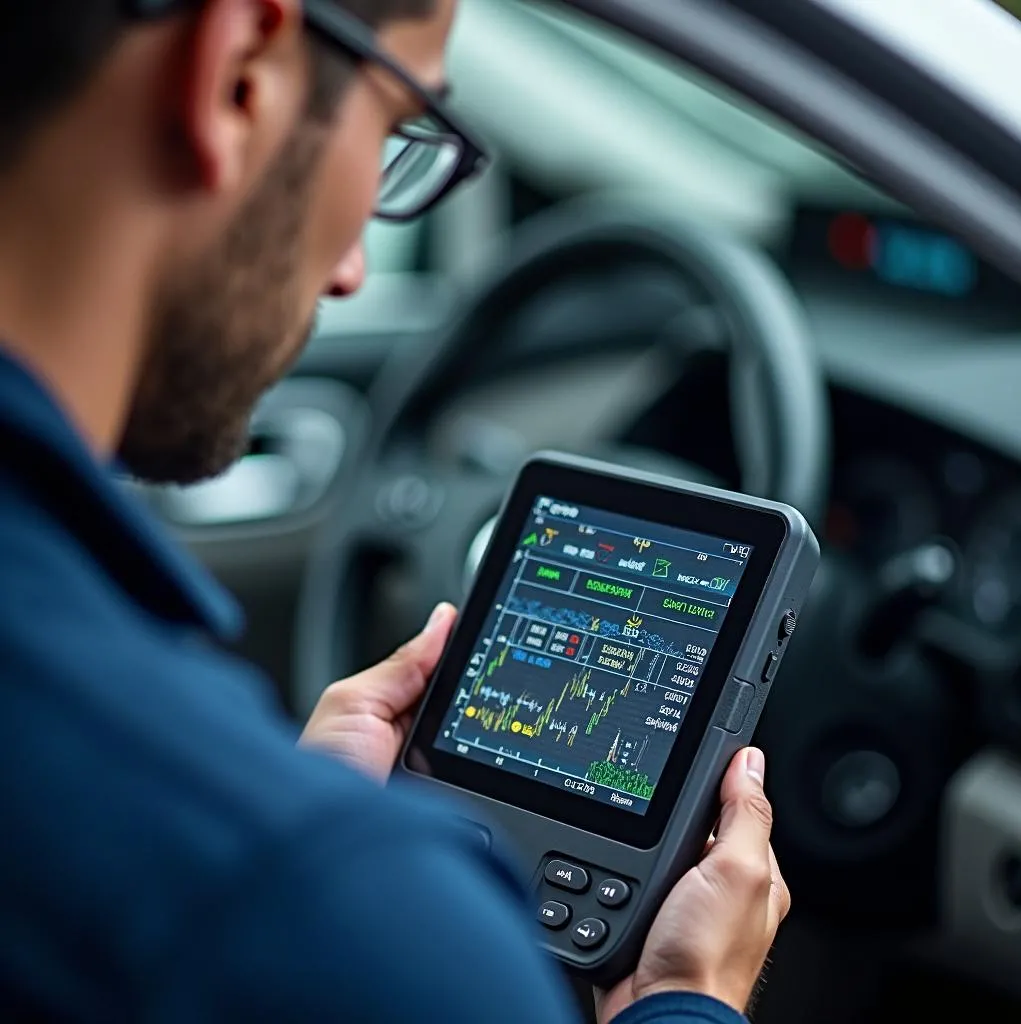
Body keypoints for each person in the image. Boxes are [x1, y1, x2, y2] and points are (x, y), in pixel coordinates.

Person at [0, 0, 790, 1021]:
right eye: (394, 130)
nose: (351, 268)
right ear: (238, 71)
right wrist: (686, 998)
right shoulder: (350, 924)